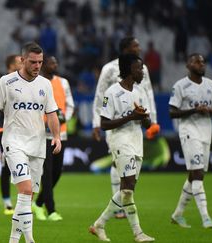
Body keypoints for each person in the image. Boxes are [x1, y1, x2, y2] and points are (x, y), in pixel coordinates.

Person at [0, 42, 61, 243]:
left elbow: (52, 113)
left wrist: (56, 136)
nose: (37, 66)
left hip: (38, 145)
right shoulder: (7, 82)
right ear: (22, 60)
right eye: (33, 62)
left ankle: (20, 239)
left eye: (40, 62)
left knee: (27, 198)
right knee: (26, 190)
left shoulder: (45, 84)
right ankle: (23, 240)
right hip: (14, 143)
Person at [89, 54, 155, 243]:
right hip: (120, 141)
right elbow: (104, 124)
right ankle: (137, 233)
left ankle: (99, 225)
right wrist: (131, 117)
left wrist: (144, 118)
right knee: (127, 188)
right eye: (138, 68)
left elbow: (146, 122)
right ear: (128, 70)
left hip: (137, 141)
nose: (142, 72)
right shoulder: (112, 92)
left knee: (128, 189)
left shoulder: (140, 92)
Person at [169, 54, 212, 229]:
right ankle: (206, 217)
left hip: (206, 132)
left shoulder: (210, 85)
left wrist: (209, 110)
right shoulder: (180, 86)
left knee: (194, 176)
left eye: (203, 62)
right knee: (198, 173)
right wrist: (193, 110)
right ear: (188, 65)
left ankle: (177, 215)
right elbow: (172, 112)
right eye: (197, 61)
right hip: (189, 132)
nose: (201, 64)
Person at [32, 56, 74, 221]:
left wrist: (64, 118)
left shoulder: (63, 83)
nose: (55, 65)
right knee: (47, 174)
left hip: (60, 134)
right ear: (43, 65)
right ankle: (51, 210)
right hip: (42, 136)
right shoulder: (37, 82)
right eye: (51, 63)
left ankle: (38, 203)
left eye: (56, 62)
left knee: (57, 172)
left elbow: (70, 104)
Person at [0, 54, 23, 215]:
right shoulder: (5, 82)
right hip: (6, 131)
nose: (22, 63)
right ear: (10, 65)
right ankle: (7, 204)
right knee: (6, 168)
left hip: (23, 132)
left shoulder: (23, 81)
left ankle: (24, 202)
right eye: (19, 61)